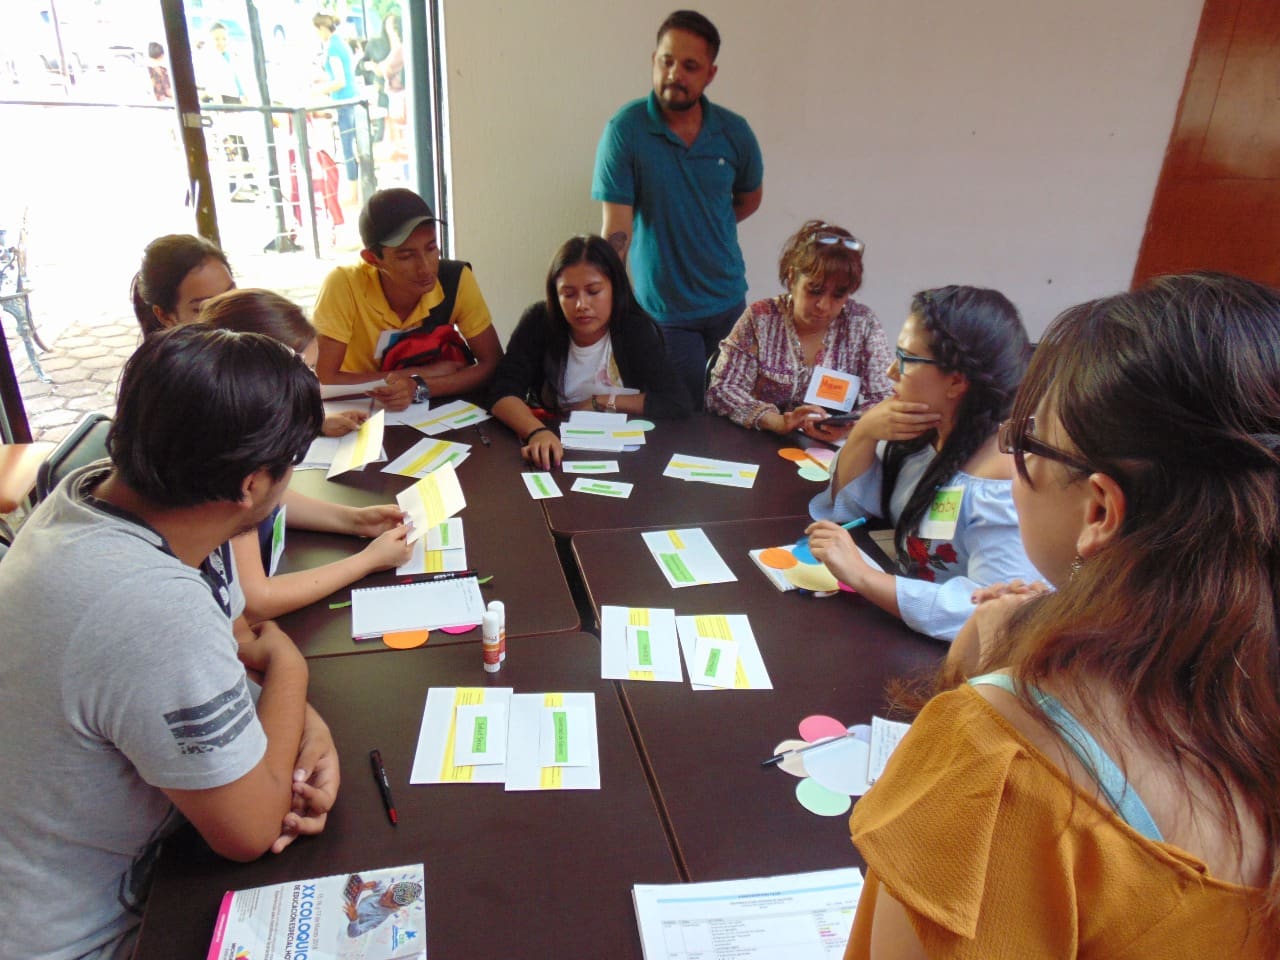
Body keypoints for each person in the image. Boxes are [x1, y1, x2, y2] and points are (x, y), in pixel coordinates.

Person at [843, 273, 1280, 958]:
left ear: (1099, 509)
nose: (1010, 457)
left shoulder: (999, 761)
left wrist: (984, 683)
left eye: (1028, 440)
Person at [0, 325, 341, 959]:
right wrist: (291, 673)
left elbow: (234, 645)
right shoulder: (149, 604)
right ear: (250, 486)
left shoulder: (106, 497)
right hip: (87, 935)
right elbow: (251, 830)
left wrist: (301, 728)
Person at [806, 285, 1041, 642]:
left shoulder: (1000, 489)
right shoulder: (922, 432)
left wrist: (863, 576)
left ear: (956, 381)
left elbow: (993, 614)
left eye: (906, 359)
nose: (890, 372)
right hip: (901, 625)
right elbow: (849, 507)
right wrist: (863, 433)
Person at [200, 289, 413, 622]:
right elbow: (256, 600)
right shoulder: (230, 455)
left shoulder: (237, 435)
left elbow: (271, 498)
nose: (314, 385)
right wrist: (368, 561)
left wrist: (355, 520)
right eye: (306, 370)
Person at [592, 9, 764, 407]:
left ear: (710, 74)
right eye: (667, 62)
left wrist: (703, 225)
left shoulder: (734, 132)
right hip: (665, 311)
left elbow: (749, 199)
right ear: (654, 60)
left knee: (732, 409)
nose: (675, 74)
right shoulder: (626, 131)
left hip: (728, 304)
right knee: (679, 413)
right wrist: (609, 304)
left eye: (690, 66)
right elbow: (617, 229)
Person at [130, 234, 364, 438]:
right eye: (202, 307)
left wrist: (314, 425)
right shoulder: (182, 389)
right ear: (166, 316)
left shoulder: (241, 360)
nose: (224, 310)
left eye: (230, 293)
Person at [489, 235, 692, 469]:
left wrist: (599, 402)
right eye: (569, 294)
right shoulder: (538, 321)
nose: (581, 305)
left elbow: (676, 401)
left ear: (615, 288)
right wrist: (536, 432)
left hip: (626, 451)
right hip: (558, 443)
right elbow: (501, 391)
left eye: (593, 291)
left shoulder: (634, 329)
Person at [312, 187, 503, 412]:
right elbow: (324, 381)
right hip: (359, 410)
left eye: (431, 248)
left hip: (433, 408)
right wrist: (420, 374)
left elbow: (493, 364)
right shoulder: (344, 285)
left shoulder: (456, 279)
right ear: (372, 259)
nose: (425, 267)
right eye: (406, 256)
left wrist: (420, 386)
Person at [706, 220, 893, 440]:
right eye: (814, 290)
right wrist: (776, 421)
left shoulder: (863, 325)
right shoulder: (761, 318)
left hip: (829, 447)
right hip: (761, 439)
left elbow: (884, 400)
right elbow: (723, 389)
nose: (824, 305)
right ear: (792, 277)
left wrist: (850, 428)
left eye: (838, 295)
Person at [313, 13, 359, 201]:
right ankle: (355, 192)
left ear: (322, 28)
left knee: (348, 149)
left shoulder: (333, 48)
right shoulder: (342, 44)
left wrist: (318, 90)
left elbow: (340, 81)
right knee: (351, 147)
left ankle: (353, 194)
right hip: (351, 99)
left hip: (344, 101)